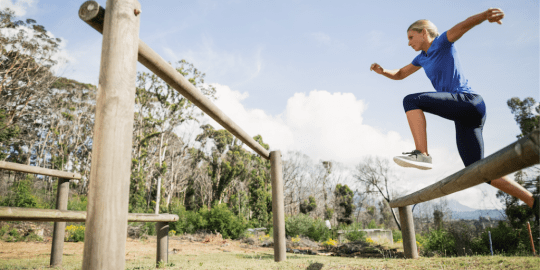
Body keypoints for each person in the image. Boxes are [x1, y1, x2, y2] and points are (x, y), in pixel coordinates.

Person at [369, 8, 538, 215]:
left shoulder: (441, 42)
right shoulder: (421, 58)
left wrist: (484, 16)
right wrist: (383, 71)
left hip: (469, 102)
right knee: (477, 169)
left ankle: (422, 153)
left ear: (424, 32)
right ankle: (533, 201)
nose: (409, 43)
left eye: (411, 37)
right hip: (465, 116)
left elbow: (464, 25)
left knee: (411, 101)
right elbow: (402, 73)